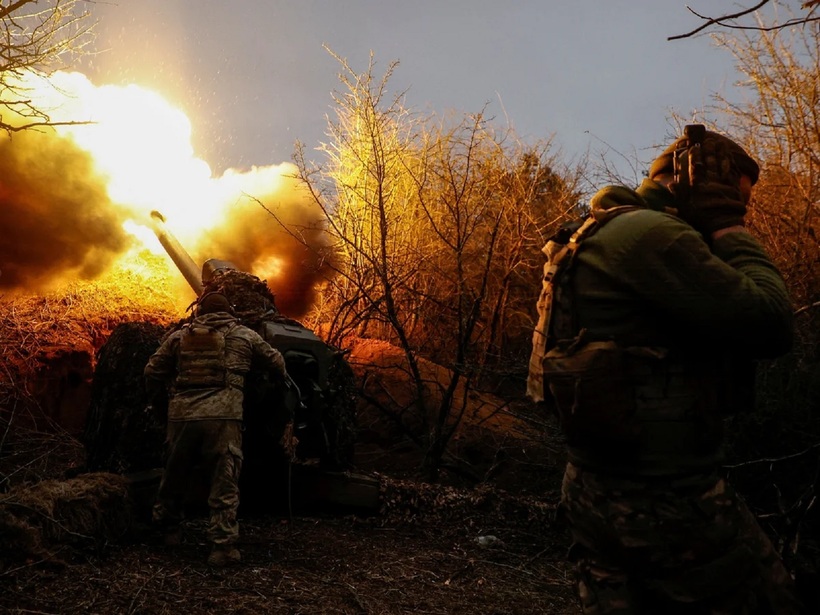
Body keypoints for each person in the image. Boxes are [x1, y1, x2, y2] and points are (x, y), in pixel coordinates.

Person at [529, 127, 803, 613]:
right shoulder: (654, 236)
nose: (744, 212)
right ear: (700, 184)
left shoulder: (596, 231)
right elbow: (771, 321)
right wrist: (728, 227)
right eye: (737, 198)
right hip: (663, 498)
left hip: (593, 485)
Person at [144, 291, 289, 567]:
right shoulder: (244, 335)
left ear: (200, 311)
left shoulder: (179, 337)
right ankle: (221, 548)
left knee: (174, 475)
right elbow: (277, 363)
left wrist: (162, 408)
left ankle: (168, 532)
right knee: (224, 481)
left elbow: (152, 372)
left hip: (182, 417)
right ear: (229, 311)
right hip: (224, 418)